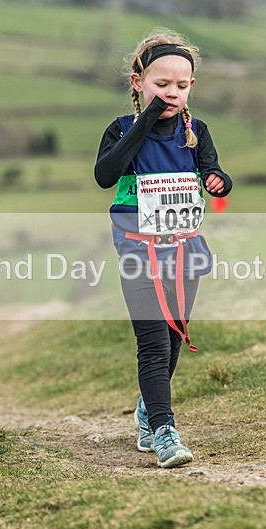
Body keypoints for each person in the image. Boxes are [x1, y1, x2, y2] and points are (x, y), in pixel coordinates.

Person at [94, 28, 233, 468]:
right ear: (138, 83)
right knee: (153, 343)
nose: (172, 93)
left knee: (173, 338)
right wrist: (147, 120)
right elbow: (106, 175)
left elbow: (213, 172)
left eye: (182, 85)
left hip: (185, 250)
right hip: (138, 252)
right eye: (162, 84)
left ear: (191, 87)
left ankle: (147, 410)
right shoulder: (120, 130)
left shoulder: (196, 131)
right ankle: (164, 431)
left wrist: (219, 181)